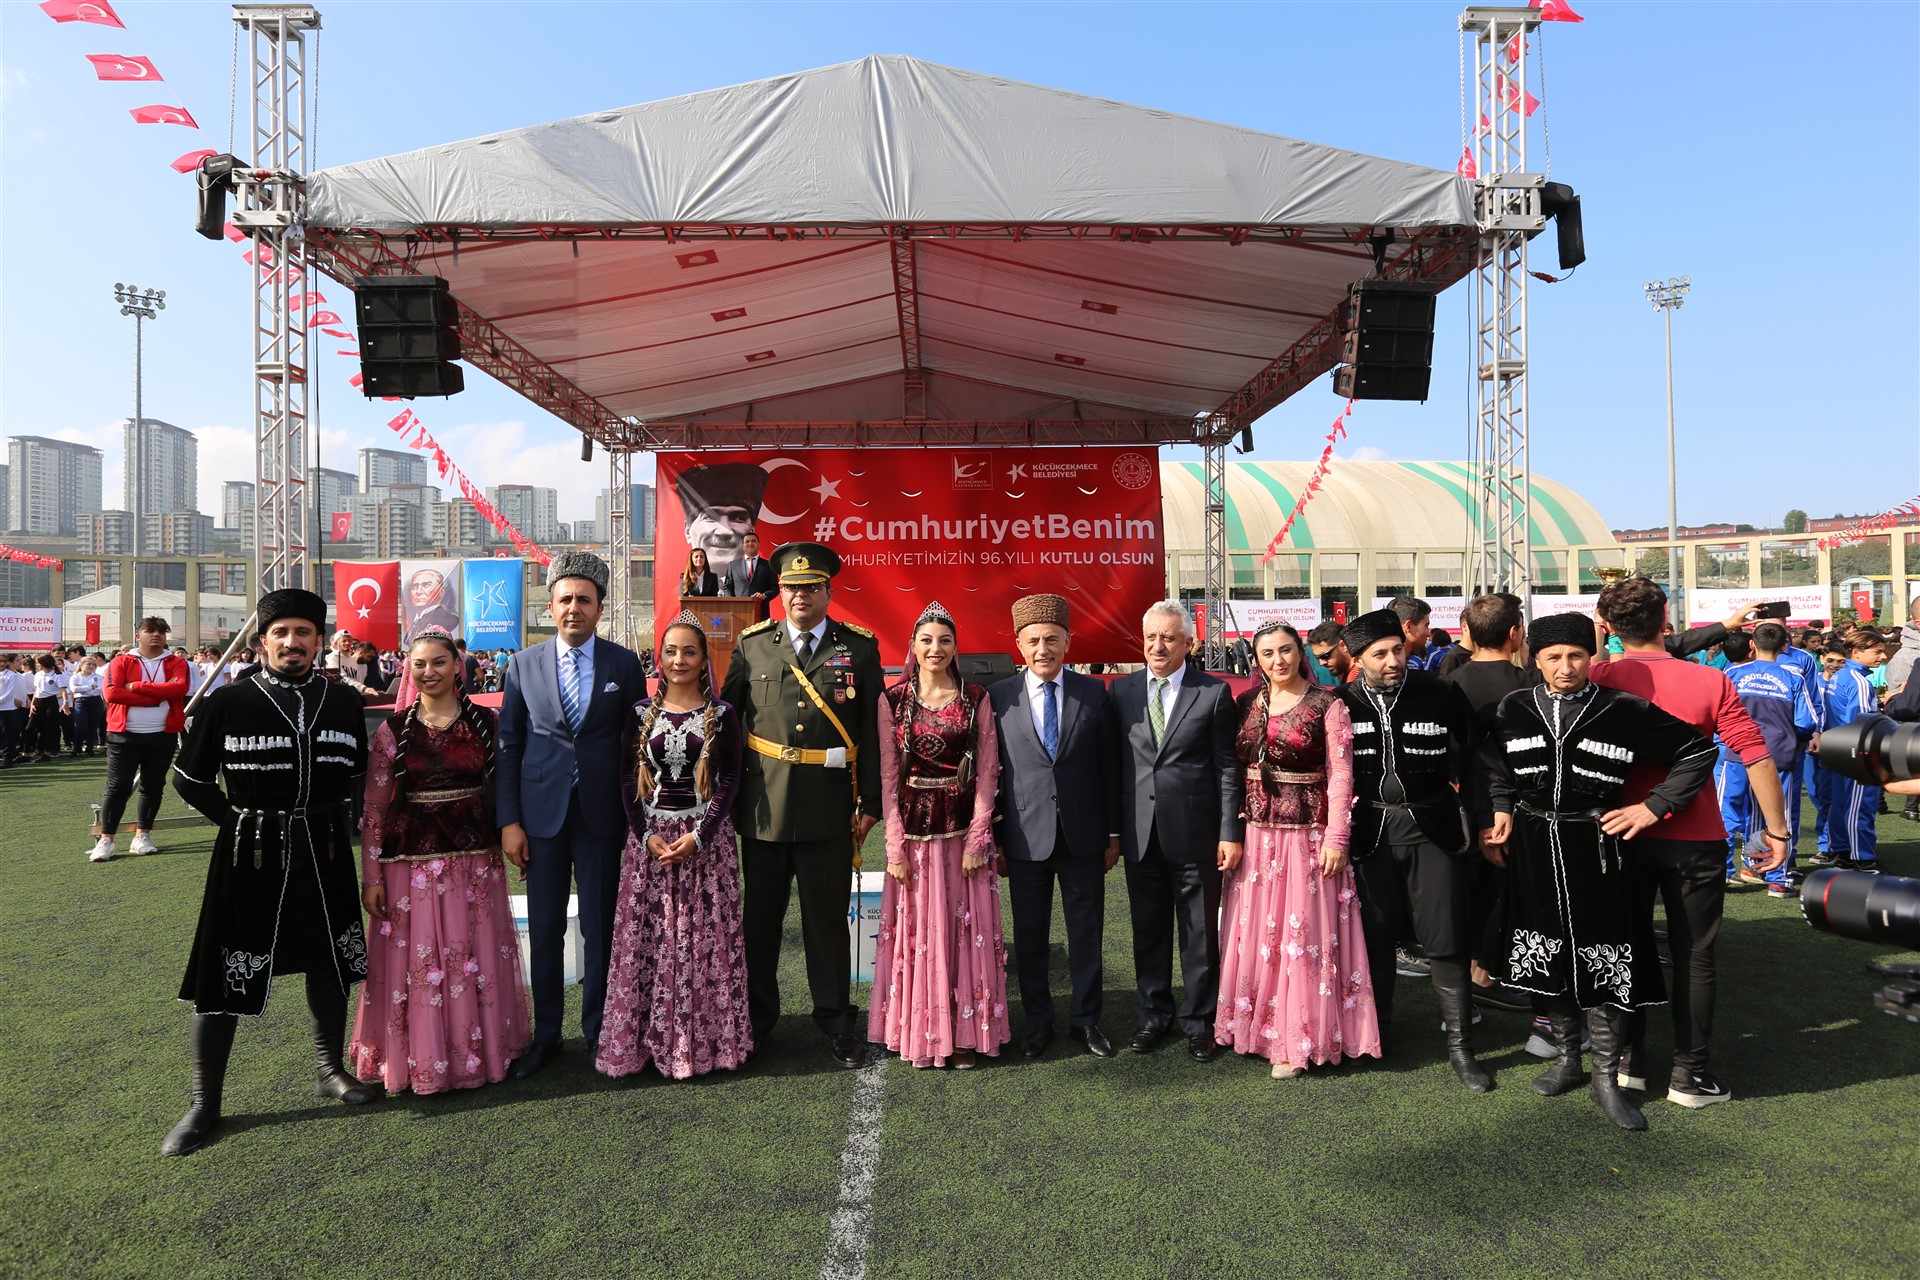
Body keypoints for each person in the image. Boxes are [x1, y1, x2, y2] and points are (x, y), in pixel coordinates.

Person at [1478, 612, 1721, 1130]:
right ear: (1534, 658)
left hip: (1600, 847)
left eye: (1576, 655)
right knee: (1547, 953)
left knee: (1606, 957)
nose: (1565, 667)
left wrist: (1654, 806)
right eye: (1553, 657)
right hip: (1534, 846)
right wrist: (1500, 807)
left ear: (1591, 657)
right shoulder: (1513, 707)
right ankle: (1569, 1059)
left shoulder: (1622, 708)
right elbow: (1494, 765)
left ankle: (1606, 1078)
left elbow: (1698, 750)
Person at [162, 588, 377, 1156]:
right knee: (225, 971)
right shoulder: (228, 702)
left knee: (329, 961)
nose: (292, 642)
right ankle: (204, 1103)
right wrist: (237, 822)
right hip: (249, 855)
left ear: (319, 641)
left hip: (325, 849)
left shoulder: (342, 702)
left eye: (303, 632)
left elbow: (357, 772)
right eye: (281, 633)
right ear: (262, 643)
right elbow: (188, 778)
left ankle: (330, 1070)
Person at [1591, 577, 1789, 1109]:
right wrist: (1776, 831)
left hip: (1619, 832)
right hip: (1694, 835)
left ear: (1609, 626)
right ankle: (1689, 1075)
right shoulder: (1708, 679)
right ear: (1665, 620)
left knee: (1623, 948)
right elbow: (1754, 753)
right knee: (1695, 957)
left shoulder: (1596, 676)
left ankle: (1629, 1061)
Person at [720, 542, 883, 1069]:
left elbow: (872, 732)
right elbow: (728, 725)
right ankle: (756, 1023)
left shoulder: (858, 648)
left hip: (829, 809)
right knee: (760, 925)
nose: (800, 596)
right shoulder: (753, 646)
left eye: (811, 587)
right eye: (792, 587)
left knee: (827, 924)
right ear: (780, 592)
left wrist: (871, 802)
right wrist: (725, 799)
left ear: (828, 593)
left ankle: (836, 1023)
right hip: (763, 809)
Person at [349, 629, 531, 1095]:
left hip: (475, 866)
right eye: (419, 664)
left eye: (438, 662)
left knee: (475, 956)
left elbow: (508, 785)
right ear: (408, 669)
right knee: (420, 962)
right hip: (410, 868)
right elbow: (374, 809)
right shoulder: (393, 731)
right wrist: (372, 877)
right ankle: (421, 1060)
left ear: (457, 666)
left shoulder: (487, 723)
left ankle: (481, 1053)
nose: (429, 672)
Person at [497, 551, 644, 1078]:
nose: (574, 608)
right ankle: (546, 1036)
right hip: (540, 819)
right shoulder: (523, 664)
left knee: (601, 929)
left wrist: (635, 818)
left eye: (584, 599)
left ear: (600, 609)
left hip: (603, 818)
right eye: (565, 599)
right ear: (551, 606)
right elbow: (509, 746)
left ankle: (600, 1032)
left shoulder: (624, 664)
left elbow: (636, 745)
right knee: (545, 929)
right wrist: (509, 822)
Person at [1215, 619, 1379, 1076]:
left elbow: (1342, 774)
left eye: (1285, 650)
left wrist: (1337, 836)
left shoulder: (1327, 704)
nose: (1278, 660)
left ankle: (1296, 1040)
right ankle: (1254, 1029)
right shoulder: (1247, 702)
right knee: (1258, 939)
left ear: (1300, 651)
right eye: (1267, 653)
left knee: (1300, 939)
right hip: (1255, 839)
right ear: (1256, 660)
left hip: (1308, 838)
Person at [1336, 609, 1490, 1091]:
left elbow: (1480, 754)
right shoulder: (1339, 702)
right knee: (1376, 938)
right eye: (1379, 654)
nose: (1392, 661)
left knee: (1445, 938)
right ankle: (1377, 1034)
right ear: (1357, 659)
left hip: (1434, 831)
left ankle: (1461, 1048)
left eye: (1397, 650)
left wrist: (1488, 813)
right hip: (1369, 836)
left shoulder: (1439, 691)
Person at [598, 612, 753, 1080]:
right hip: (650, 843)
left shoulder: (722, 715)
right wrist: (645, 835)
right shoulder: (639, 714)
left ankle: (705, 1042)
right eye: (670, 651)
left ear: (705, 659)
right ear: (659, 658)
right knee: (651, 940)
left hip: (706, 844)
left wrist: (699, 836)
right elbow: (626, 779)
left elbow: (730, 779)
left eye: (689, 651)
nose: (679, 660)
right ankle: (645, 1042)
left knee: (703, 941)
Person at [869, 601, 1008, 1069]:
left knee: (965, 932)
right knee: (920, 932)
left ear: (955, 647)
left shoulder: (975, 697)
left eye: (944, 640)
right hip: (913, 837)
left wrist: (978, 839)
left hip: (963, 831)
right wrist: (894, 848)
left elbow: (988, 771)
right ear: (912, 645)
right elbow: (889, 776)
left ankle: (966, 1034)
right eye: (926, 640)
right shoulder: (893, 700)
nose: (935, 648)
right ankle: (922, 1033)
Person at [988, 593, 1121, 1060]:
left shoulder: (1094, 693)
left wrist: (1113, 833)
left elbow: (1109, 768)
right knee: (1030, 937)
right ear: (1019, 645)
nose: (1042, 649)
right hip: (1024, 839)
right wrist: (996, 839)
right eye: (1033, 641)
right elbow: (992, 775)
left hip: (1083, 837)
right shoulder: (998, 697)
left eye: (1052, 639)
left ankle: (1086, 1021)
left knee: (1086, 935)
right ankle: (1038, 1021)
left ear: (1068, 642)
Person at [1112, 600, 1242, 1062]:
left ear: (1189, 643)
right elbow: (1115, 765)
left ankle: (1200, 1021)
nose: (1157, 646)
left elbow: (1227, 768)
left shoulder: (1213, 693)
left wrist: (1229, 831)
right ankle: (1153, 1016)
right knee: (1147, 931)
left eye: (1168, 638)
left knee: (1200, 934)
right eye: (1151, 637)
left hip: (1197, 834)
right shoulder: (1121, 691)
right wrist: (1113, 832)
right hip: (1140, 833)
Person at [1441, 592, 1538, 1015]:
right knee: (1506, 893)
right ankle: (1487, 976)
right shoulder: (1528, 685)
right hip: (1512, 805)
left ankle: (1479, 975)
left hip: (1465, 806)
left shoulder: (1451, 683)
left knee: (1476, 895)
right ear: (1515, 632)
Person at [1719, 624, 1818, 896]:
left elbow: (1718, 711)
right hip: (1778, 753)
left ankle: (1723, 871)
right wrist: (1792, 739)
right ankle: (1777, 878)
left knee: (1727, 811)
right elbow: (1807, 721)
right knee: (1778, 813)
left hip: (1738, 750)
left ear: (1752, 644)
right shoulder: (1793, 676)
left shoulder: (1733, 673)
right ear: (1785, 647)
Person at [89, 619, 193, 863]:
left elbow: (179, 689)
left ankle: (142, 835)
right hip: (123, 733)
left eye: (161, 632)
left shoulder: (177, 662)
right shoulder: (121, 661)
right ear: (138, 636)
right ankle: (107, 839)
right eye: (150, 631)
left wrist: (135, 686)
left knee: (153, 785)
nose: (156, 635)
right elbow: (112, 693)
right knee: (118, 786)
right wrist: (156, 696)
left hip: (163, 733)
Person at [1821, 629, 1884, 872]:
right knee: (1859, 806)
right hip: (1855, 753)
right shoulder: (1858, 681)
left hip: (1839, 749)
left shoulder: (1840, 675)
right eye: (1877, 651)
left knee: (1841, 803)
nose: (1883, 656)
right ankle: (1863, 858)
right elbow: (1861, 724)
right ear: (1856, 652)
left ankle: (1844, 853)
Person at [676, 461, 770, 582]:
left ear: (751, 532)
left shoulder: (759, 581)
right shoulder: (682, 591)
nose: (724, 531)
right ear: (688, 530)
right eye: (710, 517)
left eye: (738, 518)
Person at [25, 652, 65, 763]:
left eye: (38, 662)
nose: (37, 664)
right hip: (38, 701)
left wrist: (65, 702)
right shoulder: (38, 674)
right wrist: (32, 704)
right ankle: (25, 754)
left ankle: (47, 753)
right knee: (29, 728)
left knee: (48, 728)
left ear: (44, 663)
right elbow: (36, 690)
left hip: (50, 701)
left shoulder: (57, 674)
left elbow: (63, 690)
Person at [404, 567, 463, 638]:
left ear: (441, 591)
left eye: (426, 585)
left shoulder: (450, 620)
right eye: (414, 587)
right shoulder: (414, 621)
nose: (418, 591)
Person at [725, 529, 778, 606]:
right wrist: (732, 601)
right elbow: (727, 587)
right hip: (738, 608)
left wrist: (764, 595)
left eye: (753, 541)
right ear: (743, 545)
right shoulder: (733, 566)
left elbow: (775, 588)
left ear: (758, 544)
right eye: (747, 541)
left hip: (761, 608)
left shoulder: (768, 565)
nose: (750, 543)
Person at [67, 655, 104, 756]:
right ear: (82, 665)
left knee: (93, 726)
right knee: (81, 726)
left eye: (94, 665)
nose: (91, 666)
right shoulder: (75, 677)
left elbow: (99, 689)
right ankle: (77, 748)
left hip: (96, 701)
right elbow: (74, 689)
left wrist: (82, 688)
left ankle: (89, 749)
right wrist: (90, 687)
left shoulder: (98, 677)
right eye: (89, 664)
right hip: (81, 702)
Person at [0, 654, 26, 767]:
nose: (2, 664)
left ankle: (7, 758)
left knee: (7, 734)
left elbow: (9, 693)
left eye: (4, 661)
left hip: (7, 708)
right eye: (0, 661)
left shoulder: (11, 675)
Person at [1307, 620, 1350, 686]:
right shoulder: (1347, 676)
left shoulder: (1363, 678)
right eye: (1317, 658)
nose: (1321, 663)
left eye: (1325, 656)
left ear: (1343, 646)